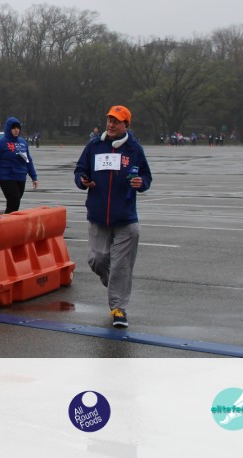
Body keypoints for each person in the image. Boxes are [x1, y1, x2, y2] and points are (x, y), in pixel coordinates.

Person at [73, 105, 153, 329]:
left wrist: (141, 183)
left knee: (121, 265)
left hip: (125, 216)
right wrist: (83, 180)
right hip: (98, 214)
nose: (111, 124)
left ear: (126, 125)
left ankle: (118, 308)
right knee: (97, 260)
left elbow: (146, 176)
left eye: (116, 121)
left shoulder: (134, 149)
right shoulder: (94, 145)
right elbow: (79, 170)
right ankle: (115, 285)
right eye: (109, 120)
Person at [0, 117, 39, 213]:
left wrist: (34, 177)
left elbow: (28, 161)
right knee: (14, 201)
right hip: (6, 176)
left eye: (18, 128)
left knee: (14, 204)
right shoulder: (0, 143)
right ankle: (6, 221)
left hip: (20, 176)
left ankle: (6, 220)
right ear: (8, 129)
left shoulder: (23, 143)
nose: (16, 130)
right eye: (13, 128)